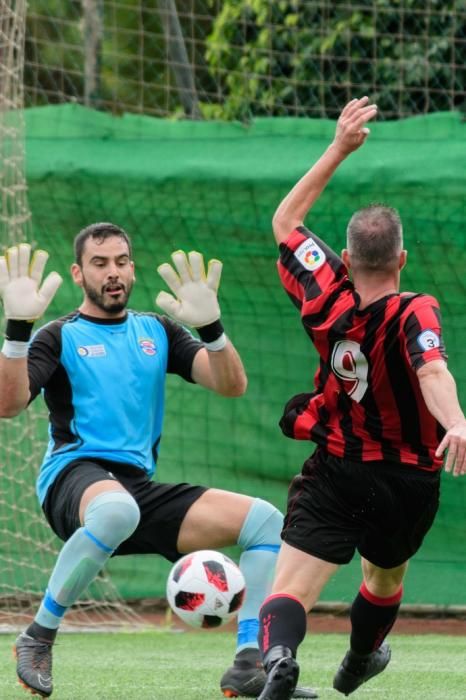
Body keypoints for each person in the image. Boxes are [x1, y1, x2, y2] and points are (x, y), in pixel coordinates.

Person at [0, 225, 316, 699]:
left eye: (122, 262)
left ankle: (249, 663)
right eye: (100, 263)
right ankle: (38, 636)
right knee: (116, 510)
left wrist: (212, 329)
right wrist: (17, 332)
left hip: (133, 490)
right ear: (77, 273)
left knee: (265, 523)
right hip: (72, 478)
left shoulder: (156, 330)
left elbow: (230, 385)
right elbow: (8, 403)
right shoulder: (58, 336)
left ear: (132, 268)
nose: (113, 273)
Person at [255, 96, 466, 700]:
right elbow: (432, 372)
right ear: (402, 258)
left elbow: (285, 222)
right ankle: (360, 657)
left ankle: (279, 661)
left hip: (340, 463)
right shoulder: (413, 308)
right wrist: (456, 423)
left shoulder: (326, 297)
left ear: (345, 259)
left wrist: (340, 147)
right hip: (407, 477)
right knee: (384, 575)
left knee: (291, 585)